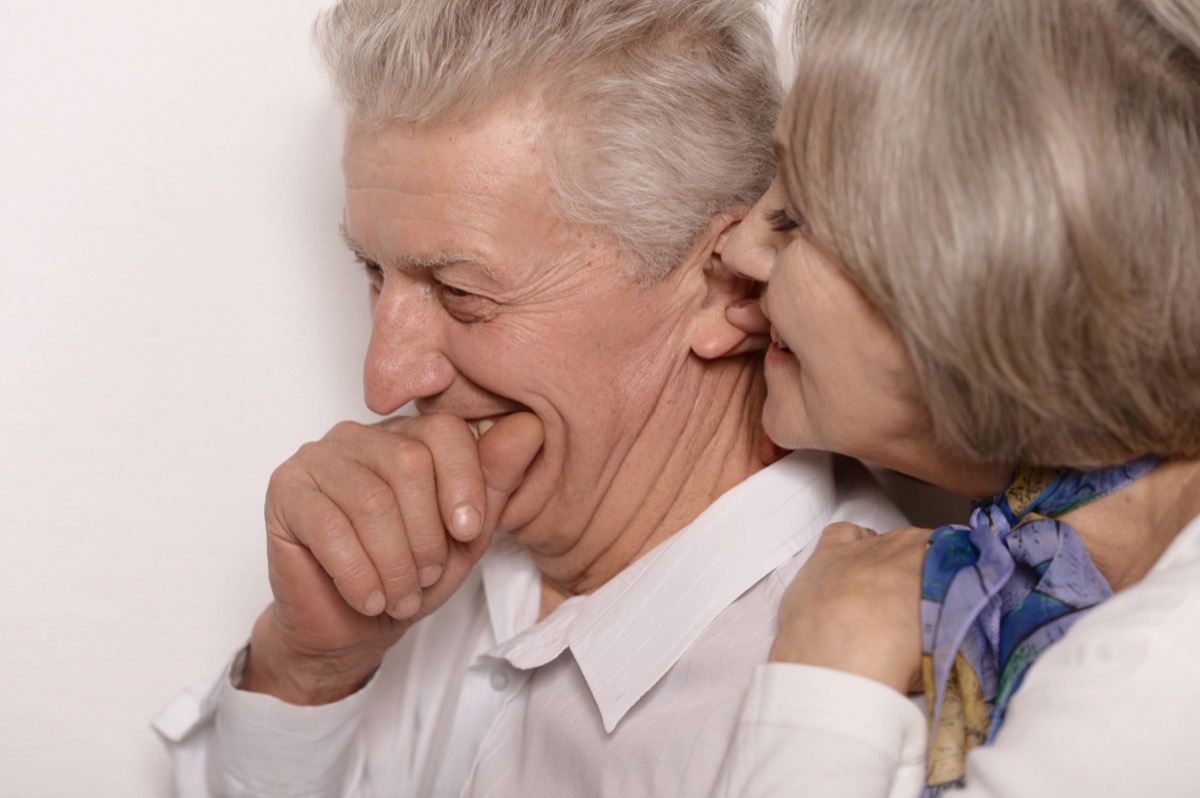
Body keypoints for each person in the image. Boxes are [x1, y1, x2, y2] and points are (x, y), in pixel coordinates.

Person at [152, 1, 906, 795]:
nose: (384, 381)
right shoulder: (421, 563)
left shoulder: (877, 708)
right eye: (374, 272)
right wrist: (308, 671)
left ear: (724, 285)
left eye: (461, 293)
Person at [713, 0, 1200, 795]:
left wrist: (828, 669)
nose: (737, 249)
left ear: (968, 296)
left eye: (794, 219)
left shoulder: (1156, 677)